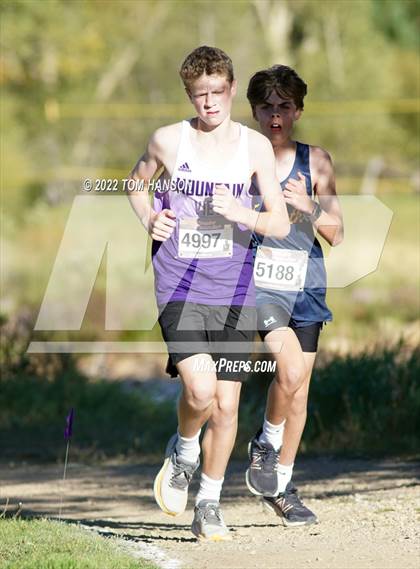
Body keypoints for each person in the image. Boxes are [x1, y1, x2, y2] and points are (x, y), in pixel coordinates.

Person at [127, 46, 289, 540]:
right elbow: (135, 185)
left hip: (237, 289)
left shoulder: (255, 147)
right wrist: (151, 217)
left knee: (227, 404)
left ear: (232, 89)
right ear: (189, 95)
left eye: (218, 92)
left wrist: (242, 214)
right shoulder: (167, 141)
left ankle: (210, 503)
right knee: (198, 389)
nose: (210, 103)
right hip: (179, 281)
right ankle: (183, 449)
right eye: (200, 95)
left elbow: (279, 222)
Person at [245, 65, 343, 526]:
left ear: (299, 110)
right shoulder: (239, 157)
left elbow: (338, 233)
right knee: (284, 370)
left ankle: (281, 486)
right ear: (254, 111)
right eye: (267, 106)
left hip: (306, 283)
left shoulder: (317, 161)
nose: (276, 116)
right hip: (261, 286)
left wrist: (310, 207)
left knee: (298, 393)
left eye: (285, 106)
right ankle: (263, 445)